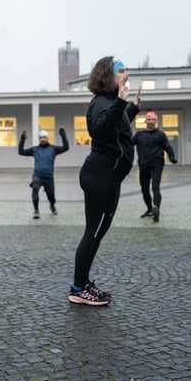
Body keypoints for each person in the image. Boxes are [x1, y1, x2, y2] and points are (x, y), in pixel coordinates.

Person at [68, 57, 140, 306]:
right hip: (101, 175)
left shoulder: (110, 103)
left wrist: (132, 108)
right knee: (93, 233)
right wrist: (122, 102)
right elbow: (99, 130)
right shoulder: (101, 102)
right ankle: (78, 288)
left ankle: (83, 283)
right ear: (107, 76)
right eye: (121, 70)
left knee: (97, 232)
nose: (126, 75)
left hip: (108, 176)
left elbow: (116, 127)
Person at [133, 111, 177, 222]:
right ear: (146, 121)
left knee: (155, 187)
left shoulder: (160, 135)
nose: (151, 122)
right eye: (149, 119)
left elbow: (168, 147)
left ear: (155, 121)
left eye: (153, 120)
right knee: (144, 189)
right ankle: (149, 209)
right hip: (143, 165)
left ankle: (156, 208)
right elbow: (129, 144)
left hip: (156, 164)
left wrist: (172, 157)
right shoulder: (139, 135)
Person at [18, 128, 69, 219]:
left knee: (51, 196)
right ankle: (36, 211)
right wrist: (22, 139)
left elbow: (66, 147)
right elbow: (21, 152)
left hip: (48, 177)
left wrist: (63, 135)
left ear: (47, 138)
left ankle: (52, 205)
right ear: (39, 139)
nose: (43, 139)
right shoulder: (35, 150)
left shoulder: (53, 149)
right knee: (35, 188)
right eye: (41, 137)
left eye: (44, 137)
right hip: (38, 175)